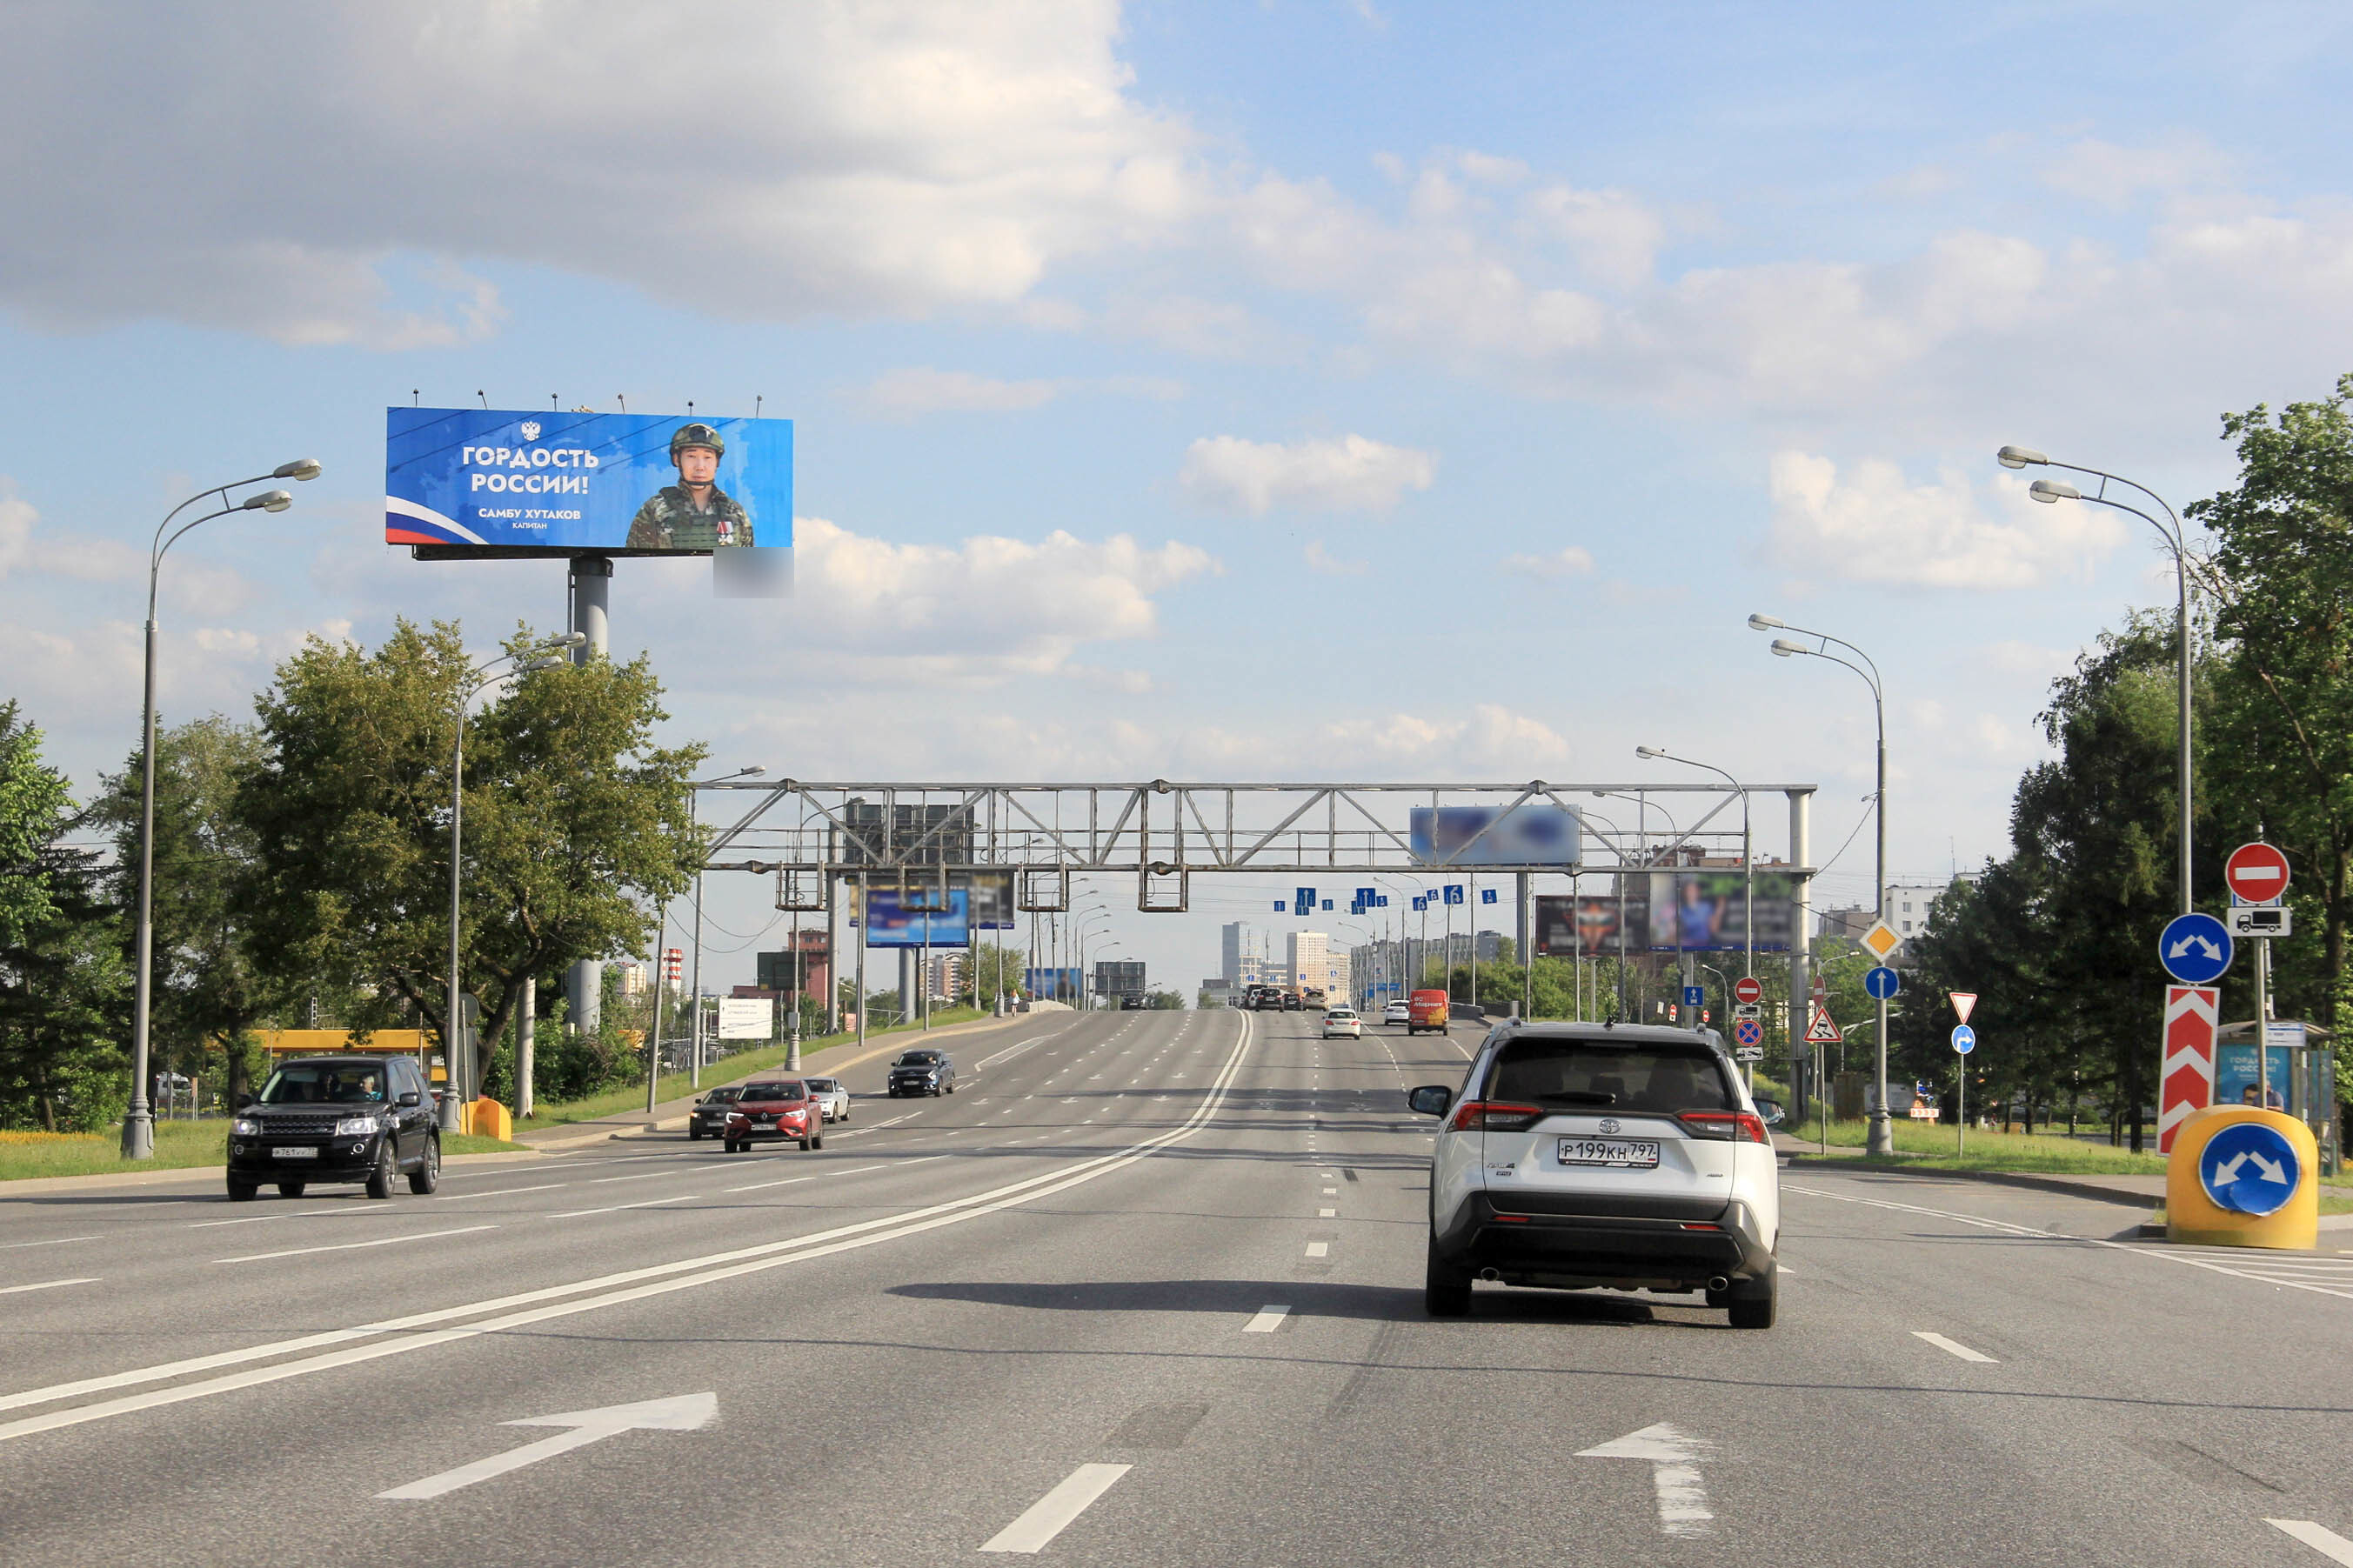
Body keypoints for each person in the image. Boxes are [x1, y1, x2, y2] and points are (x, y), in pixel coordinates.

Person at [625, 423, 754, 549]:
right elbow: (637, 563)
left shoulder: (735, 512)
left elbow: (747, 567)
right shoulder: (655, 510)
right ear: (677, 459)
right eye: (691, 456)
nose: (700, 466)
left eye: (708, 457)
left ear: (717, 462)